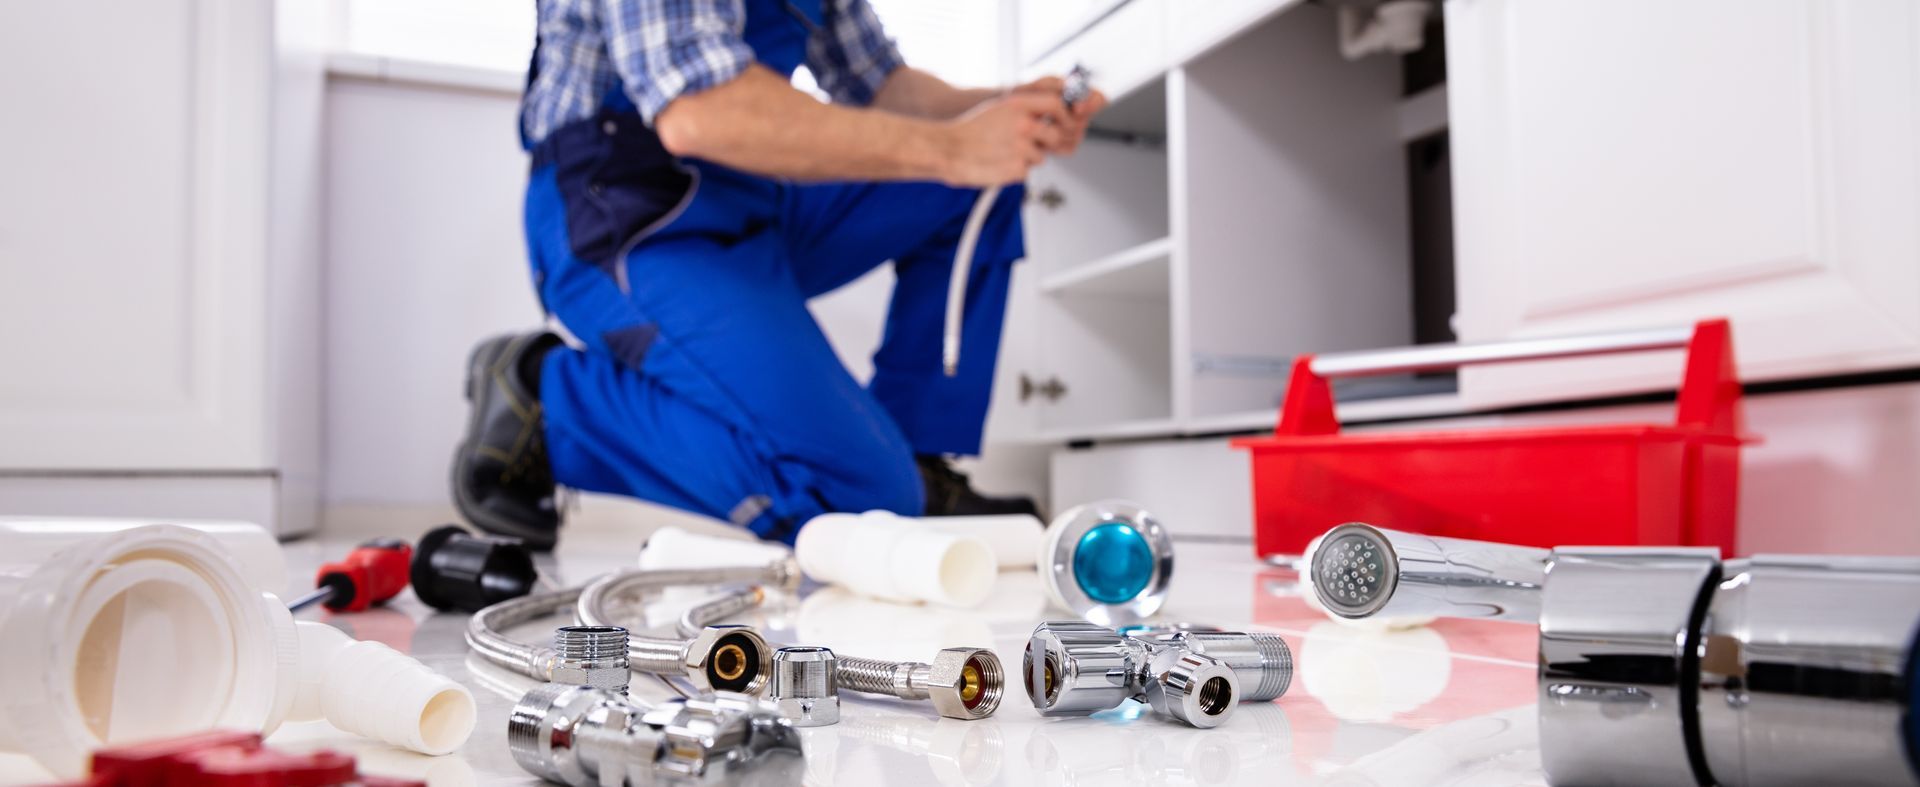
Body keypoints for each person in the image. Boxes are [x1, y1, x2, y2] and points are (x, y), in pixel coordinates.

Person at [452, 0, 1107, 550]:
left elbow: (883, 87)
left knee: (974, 184)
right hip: (624, 209)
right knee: (861, 496)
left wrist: (1010, 112)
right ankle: (552, 402)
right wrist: (958, 146)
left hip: (750, 192)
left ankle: (919, 466)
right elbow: (699, 111)